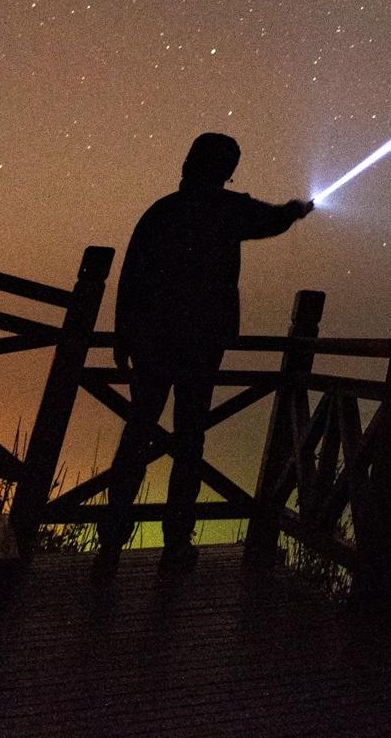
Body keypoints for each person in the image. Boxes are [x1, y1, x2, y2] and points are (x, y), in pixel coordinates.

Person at [100, 132, 312, 561]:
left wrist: (124, 333)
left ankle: (111, 540)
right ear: (224, 170)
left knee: (138, 431)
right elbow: (269, 219)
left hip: (153, 339)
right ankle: (177, 542)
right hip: (200, 341)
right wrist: (294, 212)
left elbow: (133, 272)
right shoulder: (224, 209)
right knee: (190, 438)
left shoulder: (163, 210)